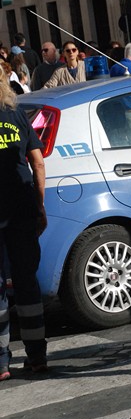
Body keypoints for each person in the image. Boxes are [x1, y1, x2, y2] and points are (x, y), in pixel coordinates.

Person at [0, 64, 48, 381]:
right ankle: (37, 356)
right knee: (27, 282)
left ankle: (1, 362)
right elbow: (38, 162)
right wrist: (40, 205)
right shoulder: (16, 115)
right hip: (21, 206)